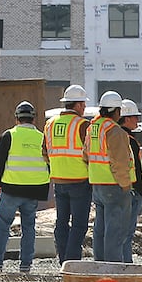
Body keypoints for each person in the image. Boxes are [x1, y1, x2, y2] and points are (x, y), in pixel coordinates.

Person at [0, 101, 51, 273]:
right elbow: (49, 163)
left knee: (2, 227)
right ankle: (25, 266)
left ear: (16, 119)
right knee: (29, 228)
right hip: (34, 190)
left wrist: (3, 183)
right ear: (33, 119)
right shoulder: (42, 137)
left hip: (11, 189)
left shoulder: (9, 136)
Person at [85, 91, 134, 262]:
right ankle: (113, 270)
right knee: (115, 231)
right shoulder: (115, 131)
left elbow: (86, 156)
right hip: (114, 186)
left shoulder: (93, 128)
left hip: (97, 186)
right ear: (117, 111)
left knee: (100, 230)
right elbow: (119, 163)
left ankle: (99, 266)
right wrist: (126, 185)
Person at [46, 85, 92, 262]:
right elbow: (90, 153)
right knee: (79, 225)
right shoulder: (82, 125)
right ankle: (72, 262)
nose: (84, 108)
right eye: (84, 105)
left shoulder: (50, 124)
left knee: (61, 223)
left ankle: (64, 261)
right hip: (79, 180)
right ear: (79, 105)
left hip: (59, 181)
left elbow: (45, 152)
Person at [119, 99, 142, 263]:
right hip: (132, 190)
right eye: (135, 117)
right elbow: (134, 167)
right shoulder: (128, 139)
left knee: (124, 232)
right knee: (127, 232)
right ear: (126, 118)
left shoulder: (123, 137)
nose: (137, 120)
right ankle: (126, 264)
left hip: (126, 188)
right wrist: (140, 188)